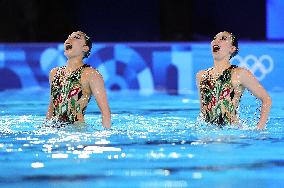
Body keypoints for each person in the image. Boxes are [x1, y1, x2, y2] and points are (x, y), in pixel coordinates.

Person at [196, 31, 272, 130]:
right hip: (208, 133)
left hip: (232, 134)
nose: (216, 41)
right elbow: (203, 113)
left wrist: (259, 129)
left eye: (223, 39)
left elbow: (266, 99)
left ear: (232, 49)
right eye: (215, 38)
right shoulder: (201, 76)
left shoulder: (240, 73)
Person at [46, 31, 111, 128]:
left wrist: (106, 138)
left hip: (76, 131)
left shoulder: (91, 74)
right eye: (68, 37)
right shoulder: (54, 73)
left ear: (85, 48)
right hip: (54, 130)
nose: (69, 39)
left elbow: (105, 112)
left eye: (76, 37)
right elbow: (51, 108)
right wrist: (45, 128)